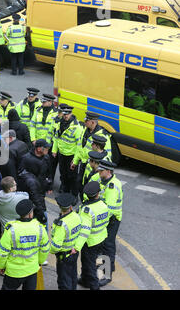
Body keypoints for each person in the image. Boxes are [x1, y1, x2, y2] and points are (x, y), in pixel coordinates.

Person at [0, 199, 50, 290]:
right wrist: (40, 262)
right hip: (32, 270)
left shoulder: (11, 230)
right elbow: (45, 249)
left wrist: (2, 266)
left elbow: (2, 252)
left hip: (13, 272)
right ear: (30, 214)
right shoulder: (40, 228)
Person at [74, 181, 110, 290]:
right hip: (101, 238)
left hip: (90, 242)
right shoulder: (103, 205)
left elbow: (84, 232)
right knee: (87, 262)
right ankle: (85, 280)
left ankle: (94, 286)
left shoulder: (87, 211)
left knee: (90, 266)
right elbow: (106, 221)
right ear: (98, 193)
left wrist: (76, 247)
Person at [97, 159, 123, 287]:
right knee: (106, 244)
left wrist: (99, 221)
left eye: (101, 171)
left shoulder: (113, 186)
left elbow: (110, 210)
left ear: (108, 171)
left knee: (107, 245)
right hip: (106, 219)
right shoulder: (103, 181)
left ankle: (106, 276)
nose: (98, 172)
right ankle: (110, 266)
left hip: (110, 220)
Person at [72, 111, 112, 192]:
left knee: (90, 187)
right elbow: (79, 147)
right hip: (84, 164)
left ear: (92, 122)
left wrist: (99, 169)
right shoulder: (85, 130)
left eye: (86, 121)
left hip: (93, 167)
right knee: (79, 183)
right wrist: (75, 161)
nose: (84, 122)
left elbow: (107, 155)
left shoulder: (102, 136)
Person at [50, 193, 82, 290]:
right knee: (73, 275)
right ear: (71, 207)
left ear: (60, 207)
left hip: (63, 256)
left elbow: (55, 246)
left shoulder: (61, 225)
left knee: (64, 281)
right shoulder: (77, 216)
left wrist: (50, 250)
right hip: (74, 251)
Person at [52, 104, 82, 197]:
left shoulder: (76, 127)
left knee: (72, 177)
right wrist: (54, 150)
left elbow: (79, 145)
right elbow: (57, 138)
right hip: (62, 154)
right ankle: (65, 191)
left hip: (71, 155)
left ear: (71, 114)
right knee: (63, 174)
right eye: (64, 114)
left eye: (68, 114)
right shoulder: (60, 123)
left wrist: (75, 160)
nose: (66, 116)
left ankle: (73, 195)